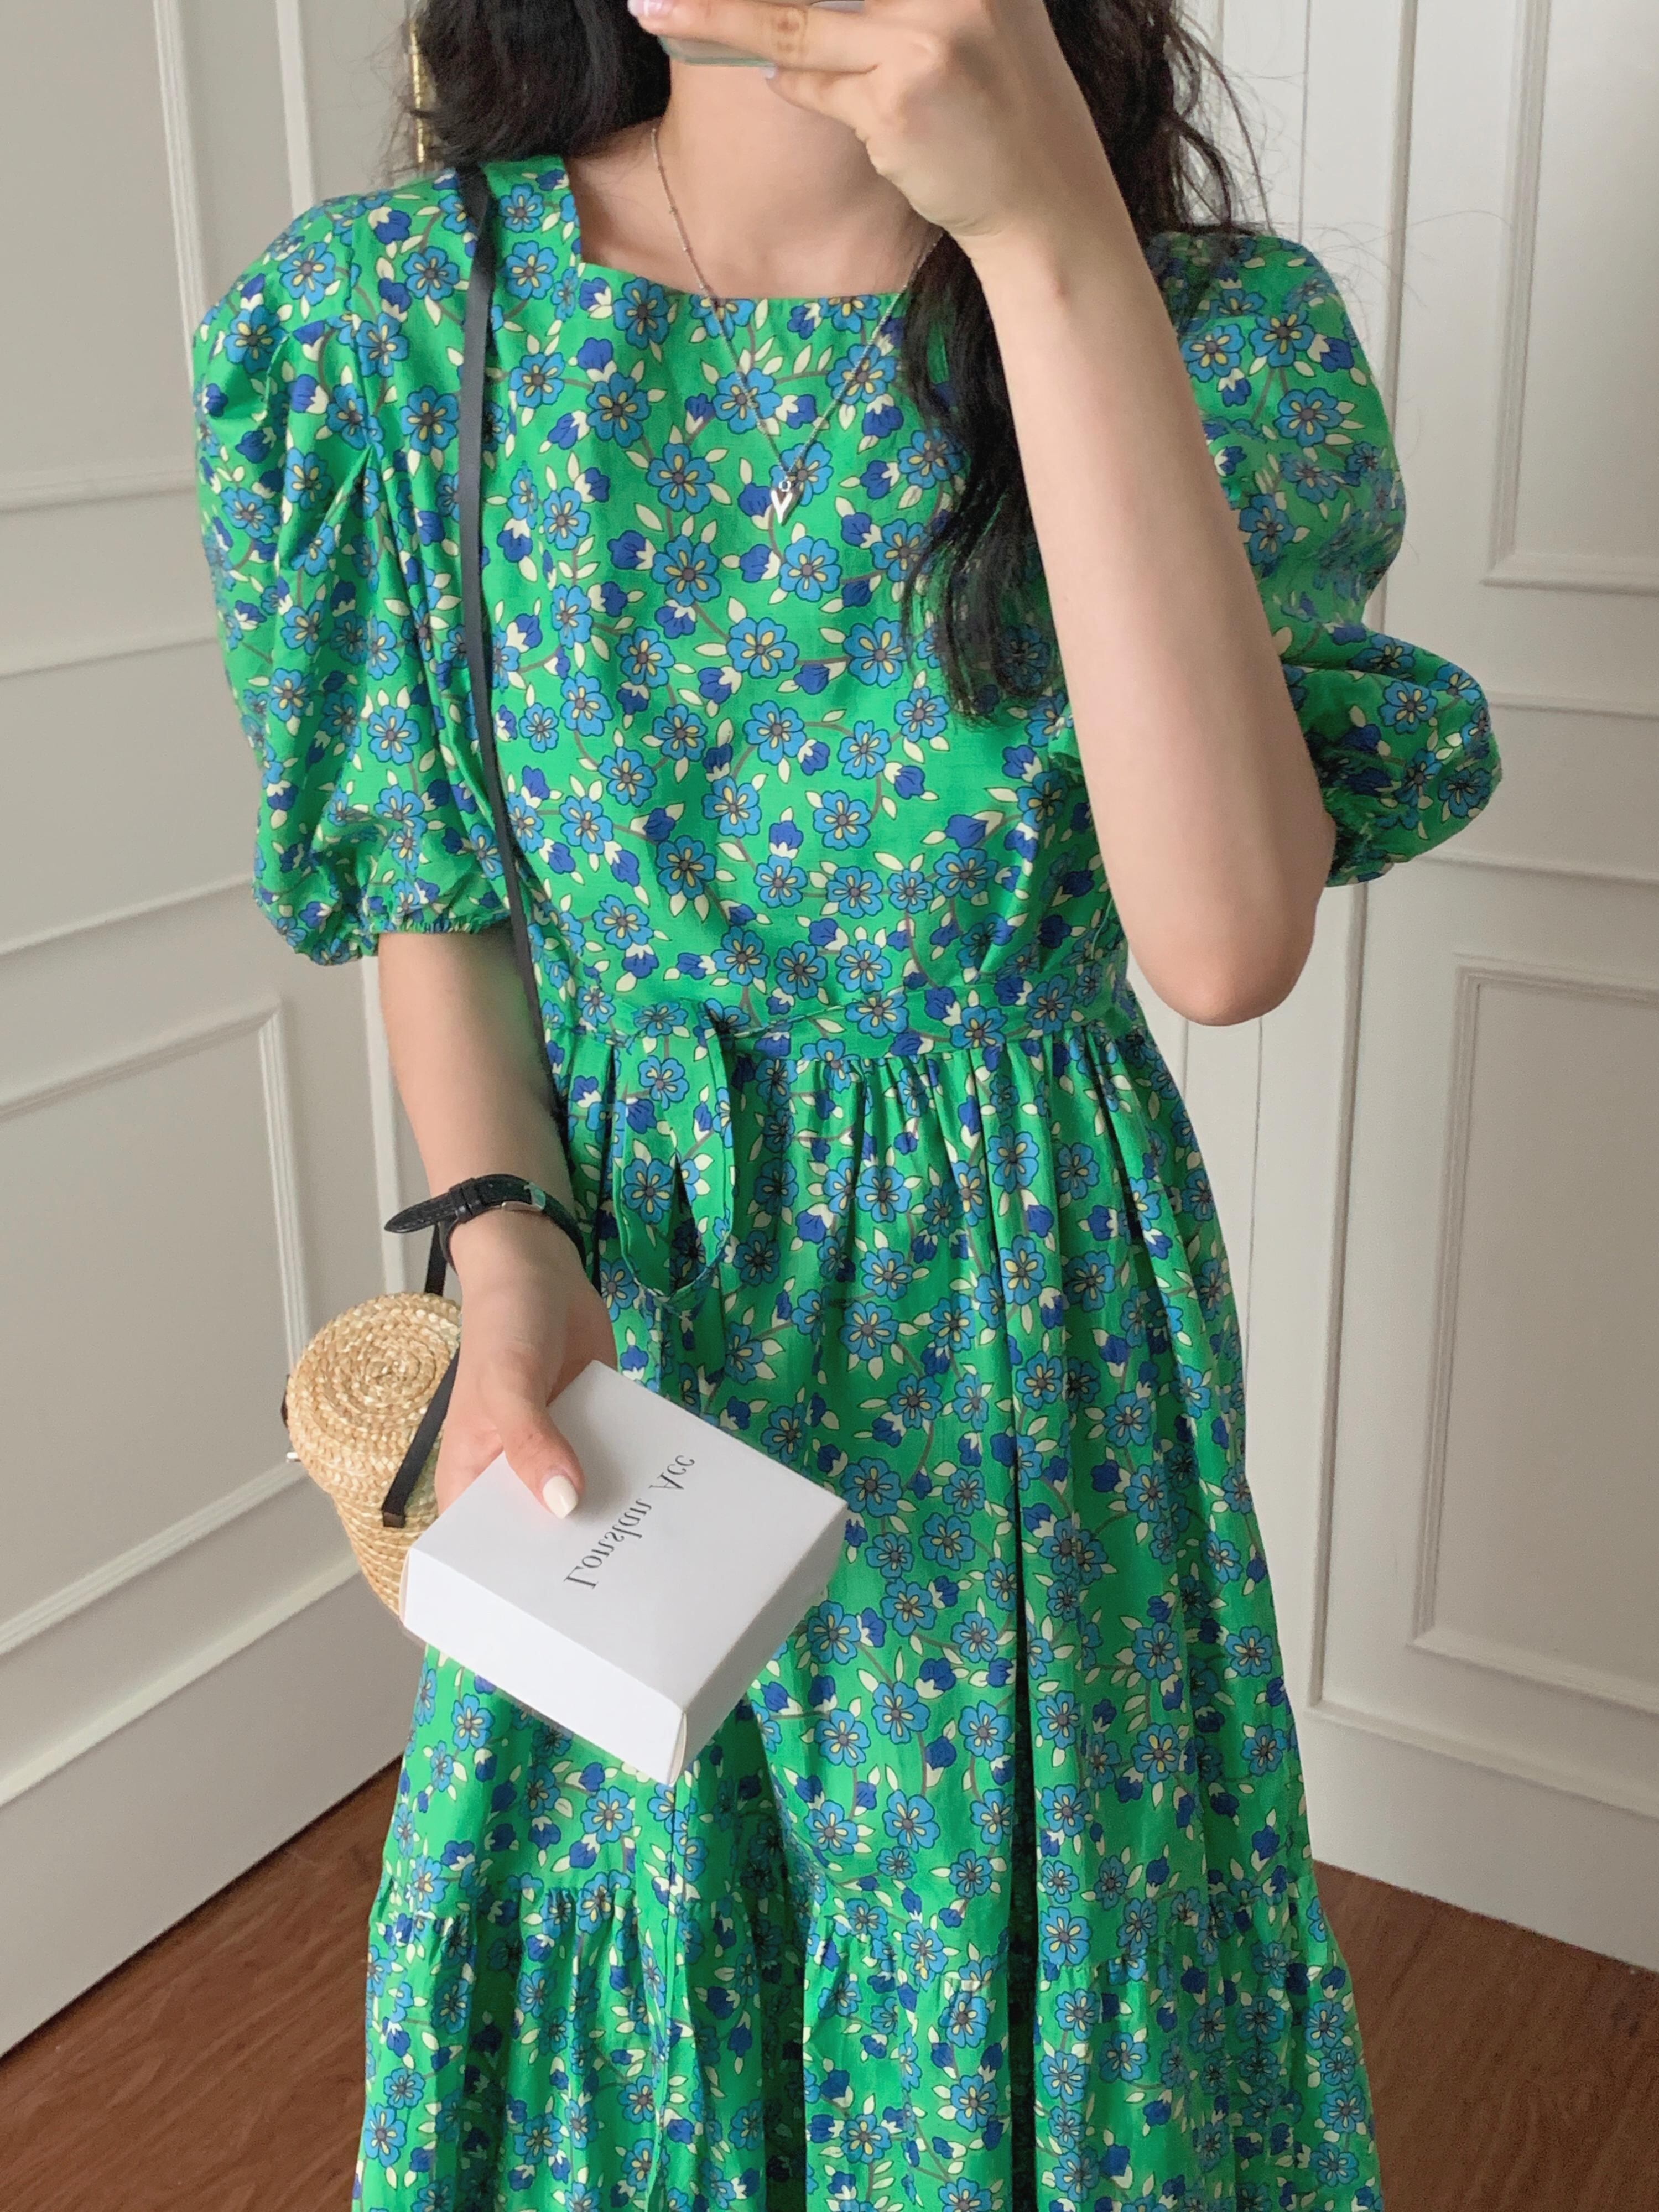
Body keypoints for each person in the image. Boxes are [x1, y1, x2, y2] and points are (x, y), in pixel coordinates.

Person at [193, 1, 1498, 2203]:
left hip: (1033, 1344)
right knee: (640, 2010)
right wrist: (505, 1237)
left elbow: (1222, 939)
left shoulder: (1206, 331)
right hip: (636, 1313)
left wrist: (1048, 232)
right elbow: (442, 881)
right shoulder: (399, 316)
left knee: (1027, 1972)